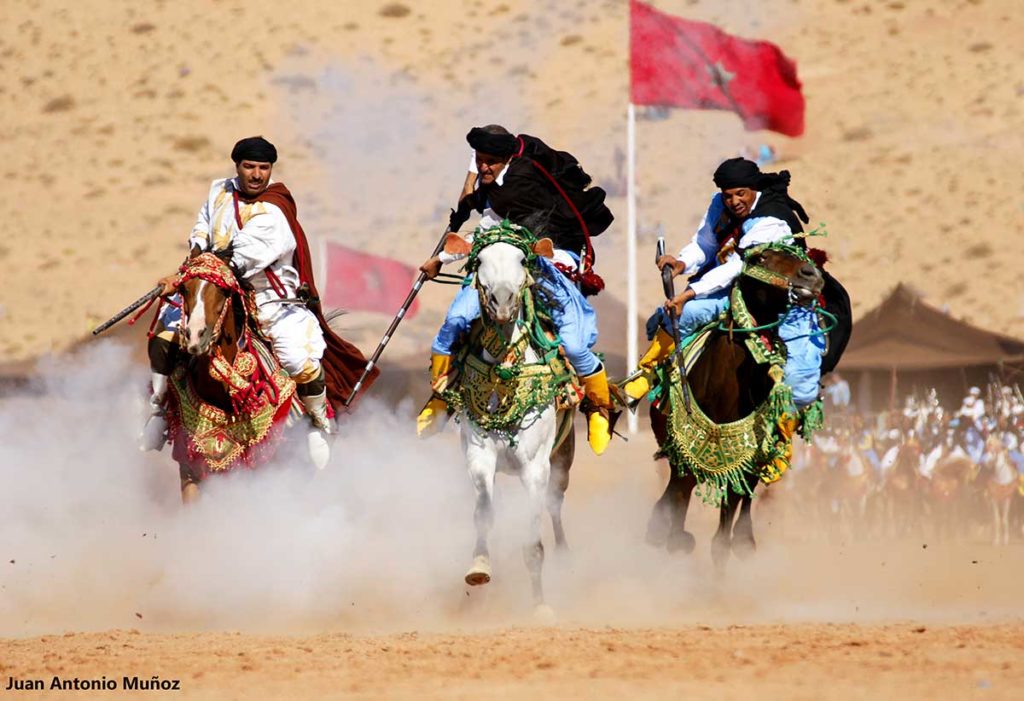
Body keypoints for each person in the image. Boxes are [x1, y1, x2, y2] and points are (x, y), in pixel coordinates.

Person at [140, 136, 375, 468]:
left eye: (263, 168)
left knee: (297, 357)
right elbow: (202, 230)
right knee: (166, 330)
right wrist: (183, 272)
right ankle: (157, 410)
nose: (256, 175)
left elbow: (243, 256)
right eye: (249, 167)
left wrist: (200, 269)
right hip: (210, 283)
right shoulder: (219, 192)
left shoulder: (274, 210)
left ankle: (320, 421)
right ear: (237, 167)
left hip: (269, 298)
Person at [417, 125, 616, 454]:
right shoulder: (498, 183)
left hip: (551, 250)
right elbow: (489, 227)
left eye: (491, 161)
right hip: (504, 252)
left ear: (507, 159)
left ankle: (599, 406)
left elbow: (494, 226)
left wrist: (445, 251)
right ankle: (441, 396)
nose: (484, 167)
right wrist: (442, 255)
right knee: (455, 320)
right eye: (480, 160)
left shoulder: (518, 183)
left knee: (573, 341)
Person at [623, 157, 825, 408]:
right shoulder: (719, 205)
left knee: (800, 383)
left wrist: (690, 293)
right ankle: (646, 375)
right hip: (737, 288)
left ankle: (785, 424)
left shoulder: (771, 220)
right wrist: (682, 263)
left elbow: (737, 265)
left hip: (776, 297)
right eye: (728, 195)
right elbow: (705, 243)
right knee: (684, 314)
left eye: (740, 194)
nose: (734, 202)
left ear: (754, 190)